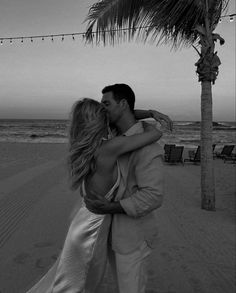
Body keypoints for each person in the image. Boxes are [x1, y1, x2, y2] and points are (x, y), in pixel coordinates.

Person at [25, 97, 164, 293]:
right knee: (81, 284)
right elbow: (156, 133)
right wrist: (153, 119)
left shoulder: (83, 146)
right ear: (100, 121)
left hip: (82, 220)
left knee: (67, 278)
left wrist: (149, 112)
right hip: (94, 228)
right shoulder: (109, 148)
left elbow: (122, 118)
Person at [84, 83, 169, 293]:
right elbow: (127, 116)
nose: (102, 109)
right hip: (111, 234)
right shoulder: (113, 134)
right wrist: (149, 112)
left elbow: (153, 196)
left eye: (106, 103)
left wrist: (109, 207)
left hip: (133, 237)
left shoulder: (147, 147)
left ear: (122, 104)